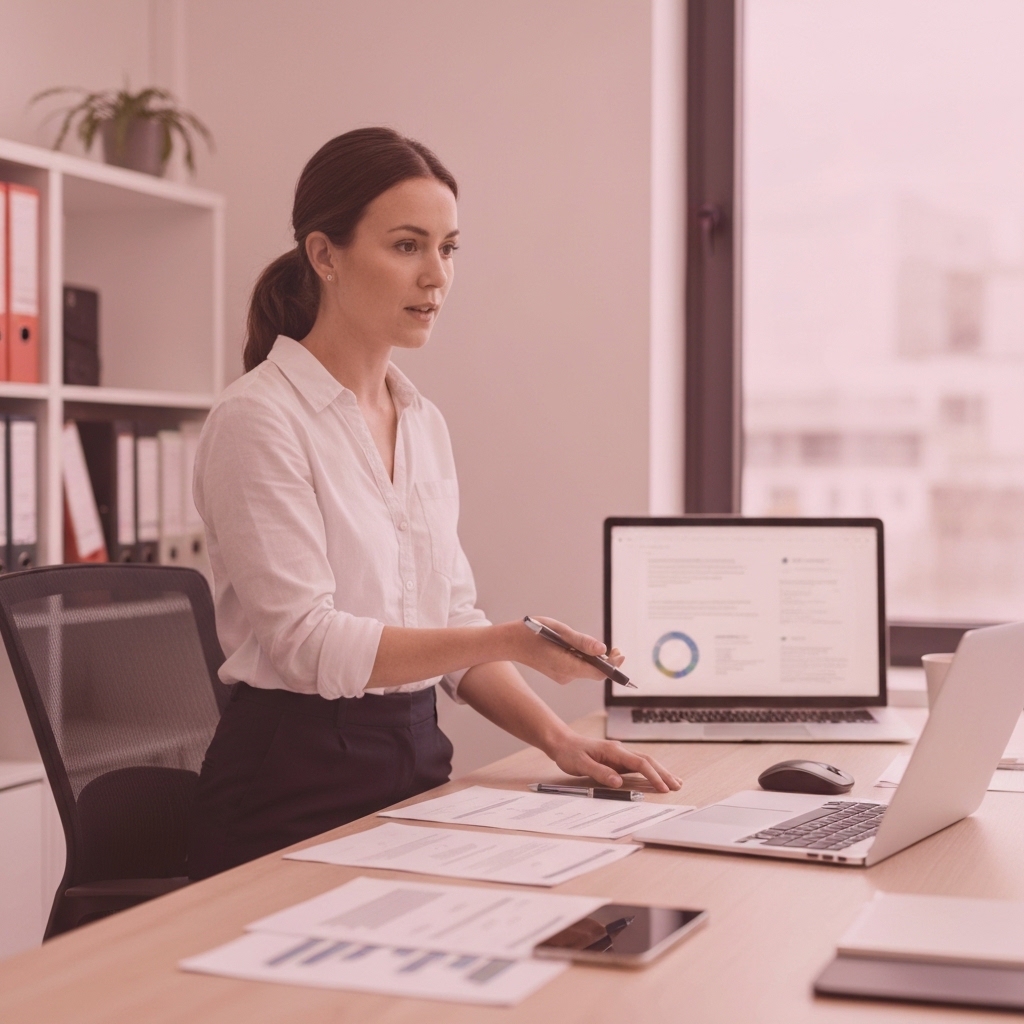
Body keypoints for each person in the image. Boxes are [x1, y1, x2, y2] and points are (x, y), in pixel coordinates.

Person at [186, 127, 679, 880]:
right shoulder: (258, 419)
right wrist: (511, 639)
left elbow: (450, 621)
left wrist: (558, 739)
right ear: (325, 255)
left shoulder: (421, 420)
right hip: (289, 781)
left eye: (448, 249)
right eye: (407, 246)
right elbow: (309, 644)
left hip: (414, 759)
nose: (436, 277)